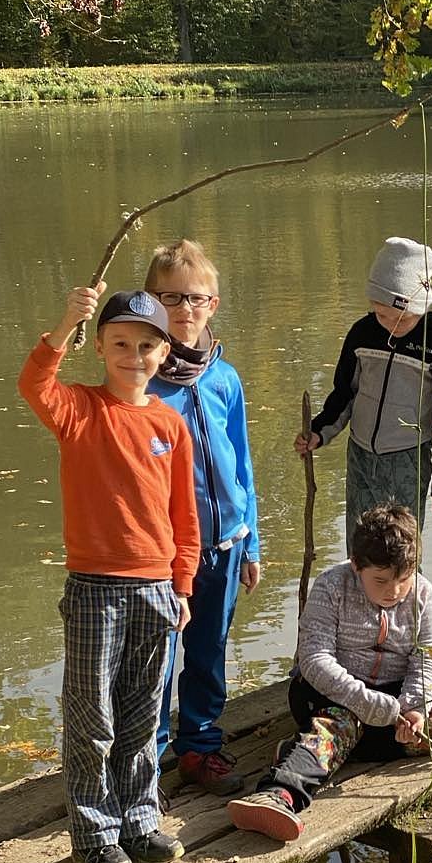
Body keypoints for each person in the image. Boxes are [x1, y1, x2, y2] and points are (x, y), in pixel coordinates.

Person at [17, 285, 200, 863]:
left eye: (147, 345)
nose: (134, 354)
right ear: (98, 347)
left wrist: (183, 585)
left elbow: (184, 516)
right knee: (91, 717)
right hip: (96, 586)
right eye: (120, 342)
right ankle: (93, 834)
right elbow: (33, 385)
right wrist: (66, 320)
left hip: (155, 589)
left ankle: (139, 819)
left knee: (143, 716)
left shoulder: (170, 424)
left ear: (164, 352)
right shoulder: (79, 410)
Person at [226, 503, 432, 841]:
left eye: (402, 580)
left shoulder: (424, 594)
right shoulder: (331, 587)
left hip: (394, 700)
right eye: (380, 580)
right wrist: (363, 700)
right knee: (340, 722)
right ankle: (279, 793)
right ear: (357, 566)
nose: (393, 591)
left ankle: (312, 751)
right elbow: (314, 659)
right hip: (332, 695)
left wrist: (415, 707)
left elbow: (428, 659)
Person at [144, 239, 261, 797]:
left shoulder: (224, 378)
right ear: (151, 303)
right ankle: (150, 759)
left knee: (210, 652)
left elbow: (241, 460)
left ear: (213, 304)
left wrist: (252, 541)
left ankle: (200, 747)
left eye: (196, 298)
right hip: (168, 554)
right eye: (170, 298)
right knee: (159, 659)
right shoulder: (142, 386)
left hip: (226, 543)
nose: (184, 310)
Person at [296, 237, 432, 550]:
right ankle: (357, 597)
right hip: (360, 454)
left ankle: (409, 599)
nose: (383, 322)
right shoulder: (363, 332)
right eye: (377, 312)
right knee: (360, 546)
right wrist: (319, 432)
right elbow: (344, 392)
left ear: (413, 305)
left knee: (400, 550)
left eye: (392, 315)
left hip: (407, 459)